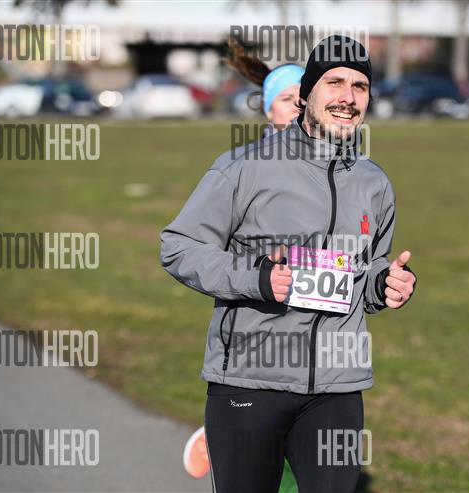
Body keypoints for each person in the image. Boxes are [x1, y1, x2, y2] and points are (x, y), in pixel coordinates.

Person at [161, 35, 416, 493]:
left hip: (336, 388)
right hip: (249, 382)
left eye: (359, 86)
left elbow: (366, 270)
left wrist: (385, 284)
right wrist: (256, 279)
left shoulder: (374, 182)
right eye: (334, 83)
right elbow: (179, 246)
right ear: (306, 95)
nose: (348, 97)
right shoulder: (245, 168)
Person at [181, 39, 303, 493]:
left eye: (304, 99)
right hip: (256, 325)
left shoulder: (340, 167)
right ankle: (226, 434)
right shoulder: (245, 168)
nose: (297, 108)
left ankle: (226, 437)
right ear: (268, 111)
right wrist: (258, 276)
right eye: (286, 100)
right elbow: (189, 246)